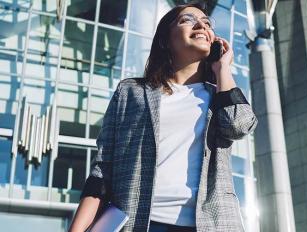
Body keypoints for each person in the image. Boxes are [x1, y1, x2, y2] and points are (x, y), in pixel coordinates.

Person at [69, 2, 258, 232]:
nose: (201, 25)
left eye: (207, 24)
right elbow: (102, 171)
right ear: (165, 39)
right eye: (187, 20)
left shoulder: (219, 95)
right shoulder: (131, 92)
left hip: (208, 225)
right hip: (141, 222)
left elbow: (238, 126)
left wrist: (222, 69)